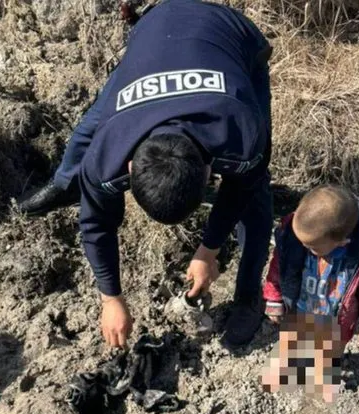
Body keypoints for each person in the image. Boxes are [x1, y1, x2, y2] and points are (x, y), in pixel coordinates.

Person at [18, 0, 274, 348]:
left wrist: (209, 250)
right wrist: (110, 298)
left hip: (230, 34)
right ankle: (67, 184)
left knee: (257, 198)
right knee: (88, 130)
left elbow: (242, 188)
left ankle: (249, 296)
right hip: (156, 31)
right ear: (129, 166)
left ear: (210, 170)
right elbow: (95, 226)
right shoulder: (107, 153)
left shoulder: (242, 130)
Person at [260, 185, 359, 401]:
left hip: (337, 316)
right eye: (302, 242)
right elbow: (279, 266)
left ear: (342, 242)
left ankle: (324, 373)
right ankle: (294, 366)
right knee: (296, 339)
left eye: (312, 248)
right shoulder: (294, 234)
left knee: (331, 348)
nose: (304, 247)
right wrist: (274, 297)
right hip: (302, 304)